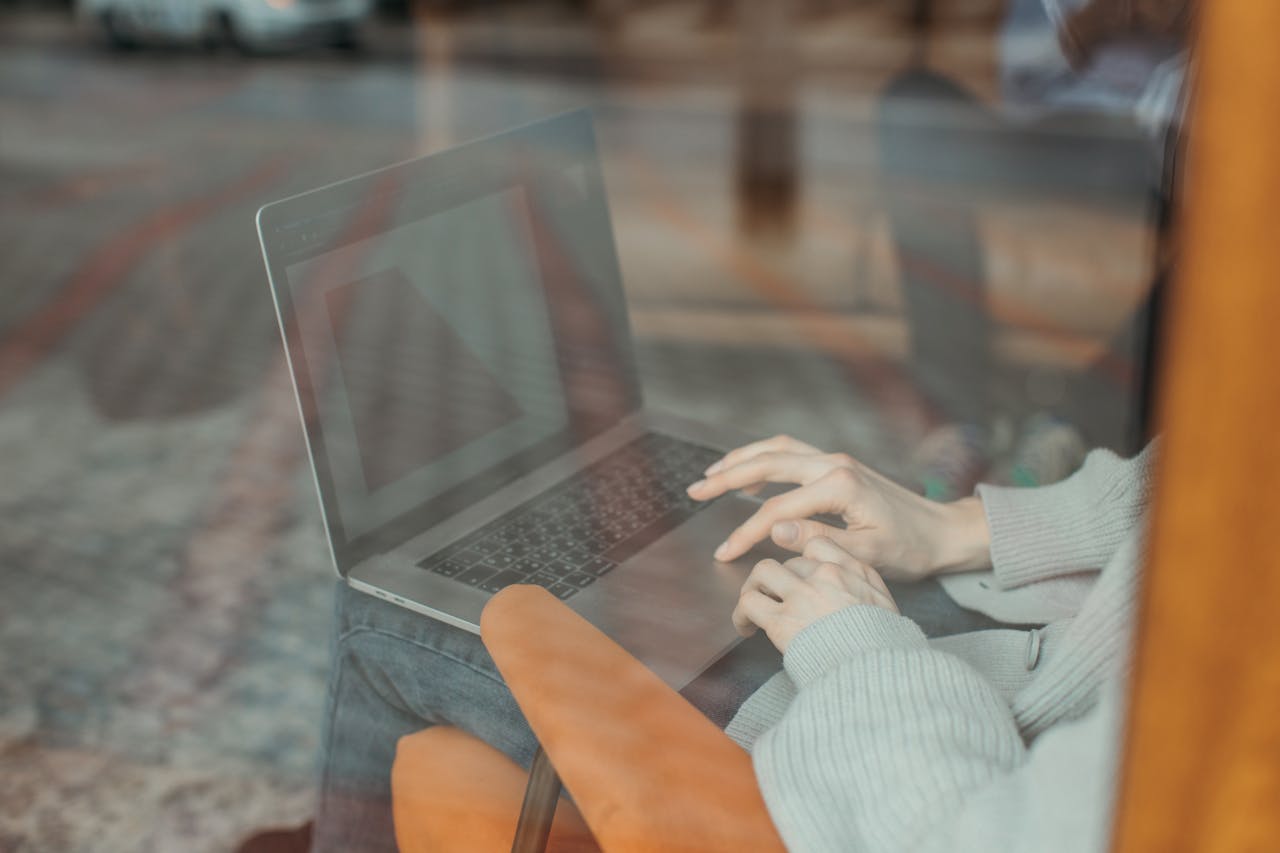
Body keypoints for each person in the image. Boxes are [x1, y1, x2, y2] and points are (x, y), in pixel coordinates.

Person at [286, 429, 1153, 852]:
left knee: (382, 606)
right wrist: (960, 528)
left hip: (903, 756)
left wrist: (859, 649)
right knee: (677, 506)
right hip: (1015, 640)